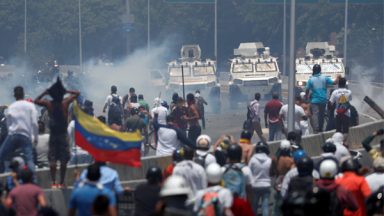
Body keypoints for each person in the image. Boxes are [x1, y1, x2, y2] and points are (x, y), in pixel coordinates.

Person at [34, 78, 80, 188]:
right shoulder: (65, 102)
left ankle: (54, 182)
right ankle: (62, 182)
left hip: (54, 135)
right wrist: (67, 91)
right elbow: (77, 93)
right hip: (62, 135)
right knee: (63, 160)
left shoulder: (49, 104)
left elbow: (36, 100)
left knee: (53, 159)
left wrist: (46, 92)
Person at [0, 86, 38, 173]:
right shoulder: (30, 106)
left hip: (13, 135)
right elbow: (35, 124)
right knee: (29, 160)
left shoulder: (12, 106)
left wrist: (9, 137)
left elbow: (8, 124)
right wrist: (35, 138)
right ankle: (33, 180)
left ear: (14, 95)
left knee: (1, 156)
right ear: (23, 94)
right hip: (25, 136)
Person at [305, 64, 340, 133]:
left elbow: (307, 89)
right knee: (321, 115)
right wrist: (338, 77)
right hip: (323, 100)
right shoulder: (325, 78)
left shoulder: (310, 80)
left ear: (313, 71)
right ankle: (320, 128)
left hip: (315, 100)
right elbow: (334, 82)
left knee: (315, 114)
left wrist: (306, 96)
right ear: (320, 70)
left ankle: (316, 129)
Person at [248, 142, 272, 216]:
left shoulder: (252, 160)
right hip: (266, 185)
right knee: (265, 206)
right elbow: (271, 173)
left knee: (254, 205)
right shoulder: (269, 160)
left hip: (255, 185)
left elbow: (249, 172)